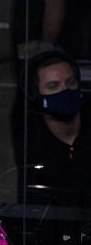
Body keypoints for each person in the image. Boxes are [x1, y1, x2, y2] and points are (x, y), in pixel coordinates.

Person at [20, 50, 91, 197]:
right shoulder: (29, 137)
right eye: (53, 86)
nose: (65, 90)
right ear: (35, 96)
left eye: (71, 83)